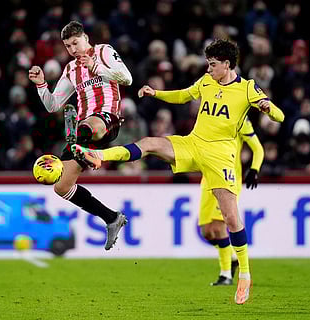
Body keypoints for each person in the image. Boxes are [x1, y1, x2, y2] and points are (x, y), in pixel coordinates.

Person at [72, 39, 284, 303]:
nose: (208, 69)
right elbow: (184, 95)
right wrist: (155, 93)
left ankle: (244, 276)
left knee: (231, 218)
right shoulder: (206, 82)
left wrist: (268, 108)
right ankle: (99, 155)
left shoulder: (247, 88)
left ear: (227, 64)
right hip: (193, 144)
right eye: (208, 64)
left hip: (221, 157)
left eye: (213, 65)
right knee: (149, 143)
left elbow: (280, 117)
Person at [28, 21, 133, 251]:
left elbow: (127, 78)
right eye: (67, 46)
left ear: (85, 38)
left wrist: (99, 69)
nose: (73, 49)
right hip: (81, 133)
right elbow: (53, 104)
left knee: (88, 125)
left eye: (75, 43)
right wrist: (41, 85)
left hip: (106, 119)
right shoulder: (70, 69)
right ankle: (112, 218)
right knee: (62, 187)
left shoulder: (103, 51)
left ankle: (84, 145)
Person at [201, 118, 264, 287]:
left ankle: (226, 274)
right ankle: (233, 257)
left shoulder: (240, 120)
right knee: (206, 231)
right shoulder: (207, 117)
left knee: (218, 226)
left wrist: (255, 169)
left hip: (226, 179)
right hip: (207, 178)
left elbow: (258, 149)